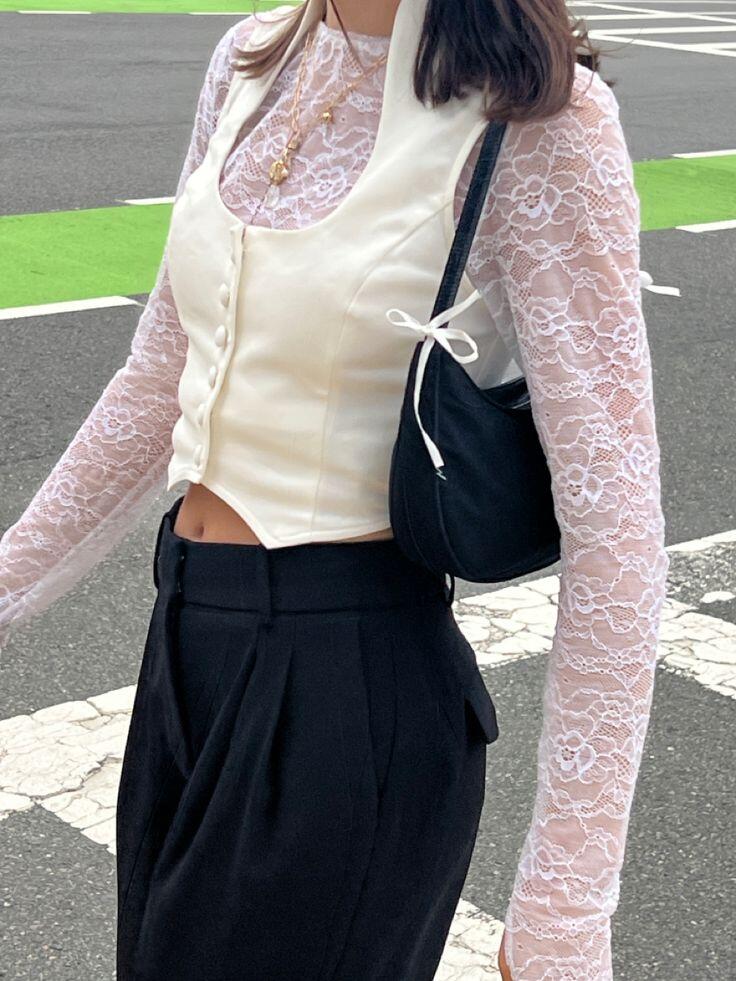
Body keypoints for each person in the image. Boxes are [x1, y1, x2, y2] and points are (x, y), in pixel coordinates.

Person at [0, 0, 670, 978]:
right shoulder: (251, 58)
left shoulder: (536, 117)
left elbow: (615, 521)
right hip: (185, 649)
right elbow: (160, 373)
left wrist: (565, 905)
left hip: (348, 698)